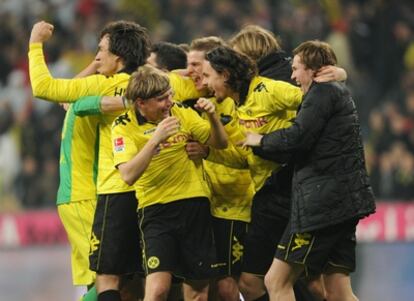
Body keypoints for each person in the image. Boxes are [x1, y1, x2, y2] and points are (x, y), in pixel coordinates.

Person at [241, 40, 376, 301]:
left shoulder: (321, 94)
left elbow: (298, 136)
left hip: (321, 206)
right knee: (338, 291)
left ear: (314, 70)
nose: (292, 76)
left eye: (296, 69)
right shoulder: (337, 91)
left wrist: (261, 140)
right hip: (344, 203)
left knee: (275, 280)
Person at [29, 20, 151, 301]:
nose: (95, 56)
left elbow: (44, 87)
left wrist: (35, 43)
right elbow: (70, 99)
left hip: (85, 194)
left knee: (104, 280)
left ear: (118, 57)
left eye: (100, 50)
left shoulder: (101, 87)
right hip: (109, 193)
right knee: (119, 277)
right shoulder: (143, 87)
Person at [229, 25, 346, 301]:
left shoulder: (279, 81)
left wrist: (264, 142)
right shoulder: (261, 81)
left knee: (297, 281)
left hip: (289, 188)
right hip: (282, 188)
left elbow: (317, 104)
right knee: (287, 281)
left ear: (248, 55)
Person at [110, 64, 228, 301]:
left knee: (197, 291)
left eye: (170, 95)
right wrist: (155, 140)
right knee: (157, 290)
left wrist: (213, 117)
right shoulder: (123, 125)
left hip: (194, 205)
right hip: (156, 211)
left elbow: (220, 143)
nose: (169, 103)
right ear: (141, 103)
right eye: (162, 99)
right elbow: (128, 175)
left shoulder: (181, 112)